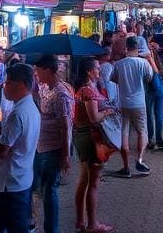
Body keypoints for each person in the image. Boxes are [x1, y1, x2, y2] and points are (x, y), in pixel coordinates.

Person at [0, 64, 40, 233]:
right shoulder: (30, 108)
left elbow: (0, 151)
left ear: (21, 84)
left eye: (8, 82)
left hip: (8, 185)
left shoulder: (18, 114)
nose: (4, 86)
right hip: (20, 178)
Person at [72, 57, 116, 233]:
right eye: (97, 68)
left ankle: (80, 221)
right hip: (90, 138)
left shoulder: (83, 90)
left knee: (84, 179)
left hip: (82, 136)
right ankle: (92, 224)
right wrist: (108, 111)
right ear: (89, 72)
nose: (99, 71)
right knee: (94, 182)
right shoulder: (87, 92)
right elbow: (94, 118)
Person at [32, 55, 73, 233]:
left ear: (47, 70)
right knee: (39, 188)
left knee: (49, 192)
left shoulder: (61, 93)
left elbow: (65, 126)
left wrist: (65, 155)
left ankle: (51, 229)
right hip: (41, 146)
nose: (36, 74)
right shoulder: (45, 88)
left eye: (38, 70)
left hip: (53, 149)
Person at [110, 36, 153, 177]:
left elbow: (113, 79)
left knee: (124, 133)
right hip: (139, 102)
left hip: (123, 103)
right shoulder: (144, 63)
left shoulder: (119, 64)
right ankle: (139, 159)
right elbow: (149, 78)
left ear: (126, 48)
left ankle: (126, 167)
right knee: (142, 132)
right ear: (138, 48)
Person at [144, 46, 163, 152]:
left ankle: (151, 140)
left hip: (149, 91)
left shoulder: (145, 62)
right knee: (158, 116)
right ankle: (159, 141)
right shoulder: (157, 60)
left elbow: (156, 72)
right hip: (159, 90)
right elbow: (161, 72)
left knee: (150, 116)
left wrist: (150, 60)